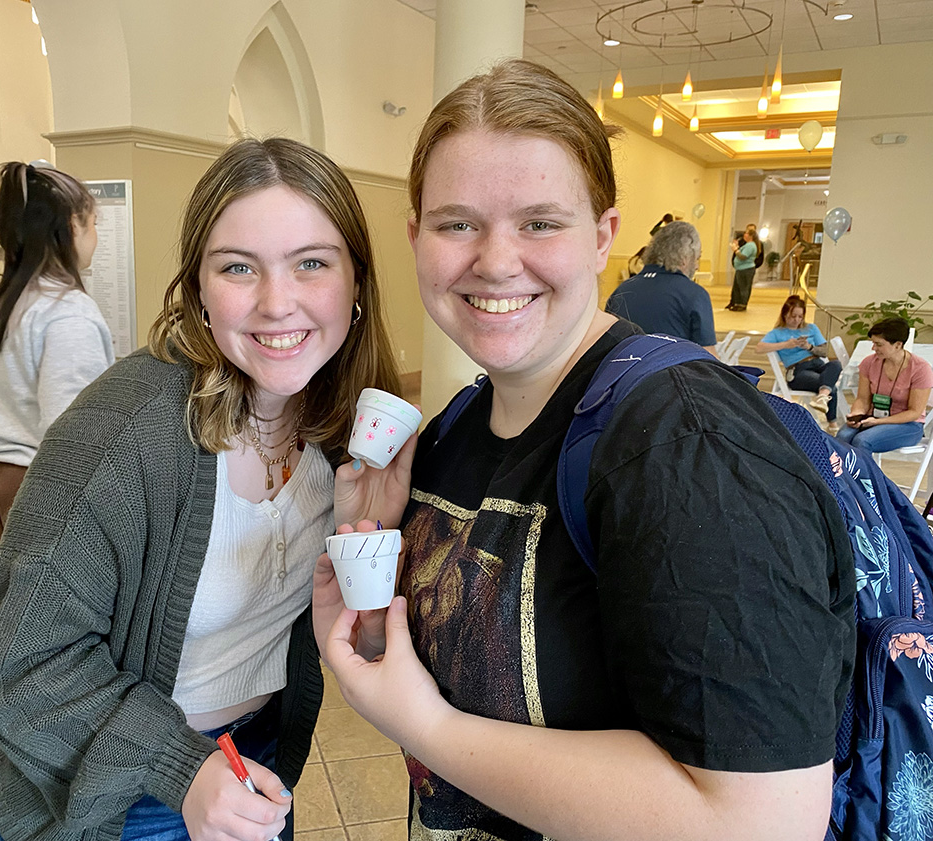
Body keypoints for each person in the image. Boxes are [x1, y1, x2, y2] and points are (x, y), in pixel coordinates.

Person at [314, 60, 854, 841]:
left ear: (603, 237)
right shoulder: (456, 429)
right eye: (457, 222)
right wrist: (371, 555)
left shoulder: (689, 447)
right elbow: (405, 665)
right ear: (416, 237)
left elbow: (759, 821)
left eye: (539, 222)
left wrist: (431, 729)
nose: (495, 261)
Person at [0, 138, 411, 841]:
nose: (276, 302)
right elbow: (17, 663)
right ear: (199, 285)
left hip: (249, 765)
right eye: (239, 267)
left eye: (312, 263)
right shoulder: (125, 428)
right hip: (110, 789)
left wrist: (367, 555)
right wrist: (181, 767)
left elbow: (359, 645)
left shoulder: (351, 433)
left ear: (356, 279)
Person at [0, 161, 114, 543]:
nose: (96, 235)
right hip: (42, 485)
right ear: (73, 226)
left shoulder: (1, 307)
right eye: (93, 223)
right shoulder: (67, 312)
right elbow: (74, 428)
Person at [604, 221, 717, 354]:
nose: (697, 266)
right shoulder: (694, 295)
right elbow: (708, 357)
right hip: (672, 371)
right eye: (697, 258)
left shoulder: (622, 290)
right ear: (685, 258)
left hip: (624, 371)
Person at [837, 316, 933, 454]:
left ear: (898, 345)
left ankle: (865, 476)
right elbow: (862, 399)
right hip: (872, 417)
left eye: (879, 344)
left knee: (862, 440)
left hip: (908, 425)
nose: (873, 348)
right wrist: (857, 414)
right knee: (842, 437)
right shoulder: (869, 363)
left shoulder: (920, 369)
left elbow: (914, 412)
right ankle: (837, 475)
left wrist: (879, 422)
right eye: (873, 343)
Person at [756, 295, 842, 432]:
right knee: (830, 386)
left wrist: (809, 347)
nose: (796, 320)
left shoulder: (811, 328)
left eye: (800, 317)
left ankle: (823, 397)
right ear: (785, 315)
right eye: (793, 316)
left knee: (836, 364)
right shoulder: (778, 332)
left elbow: (824, 351)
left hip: (817, 364)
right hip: (798, 370)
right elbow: (759, 348)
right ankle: (832, 422)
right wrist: (786, 345)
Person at [726, 225, 759, 311]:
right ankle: (737, 303)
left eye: (746, 233)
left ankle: (742, 304)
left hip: (746, 270)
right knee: (738, 288)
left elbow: (743, 256)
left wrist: (735, 250)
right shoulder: (748, 245)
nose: (744, 235)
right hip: (741, 269)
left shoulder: (751, 245)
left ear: (751, 236)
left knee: (743, 288)